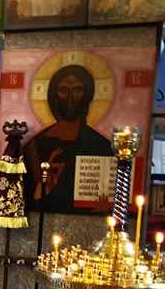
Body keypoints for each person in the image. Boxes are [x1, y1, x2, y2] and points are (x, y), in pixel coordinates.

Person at [22, 64, 114, 213]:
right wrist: (45, 187)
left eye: (77, 90)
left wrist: (102, 210)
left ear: (87, 95)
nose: (70, 99)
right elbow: (30, 197)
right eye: (63, 91)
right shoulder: (35, 143)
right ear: (54, 95)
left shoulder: (100, 143)